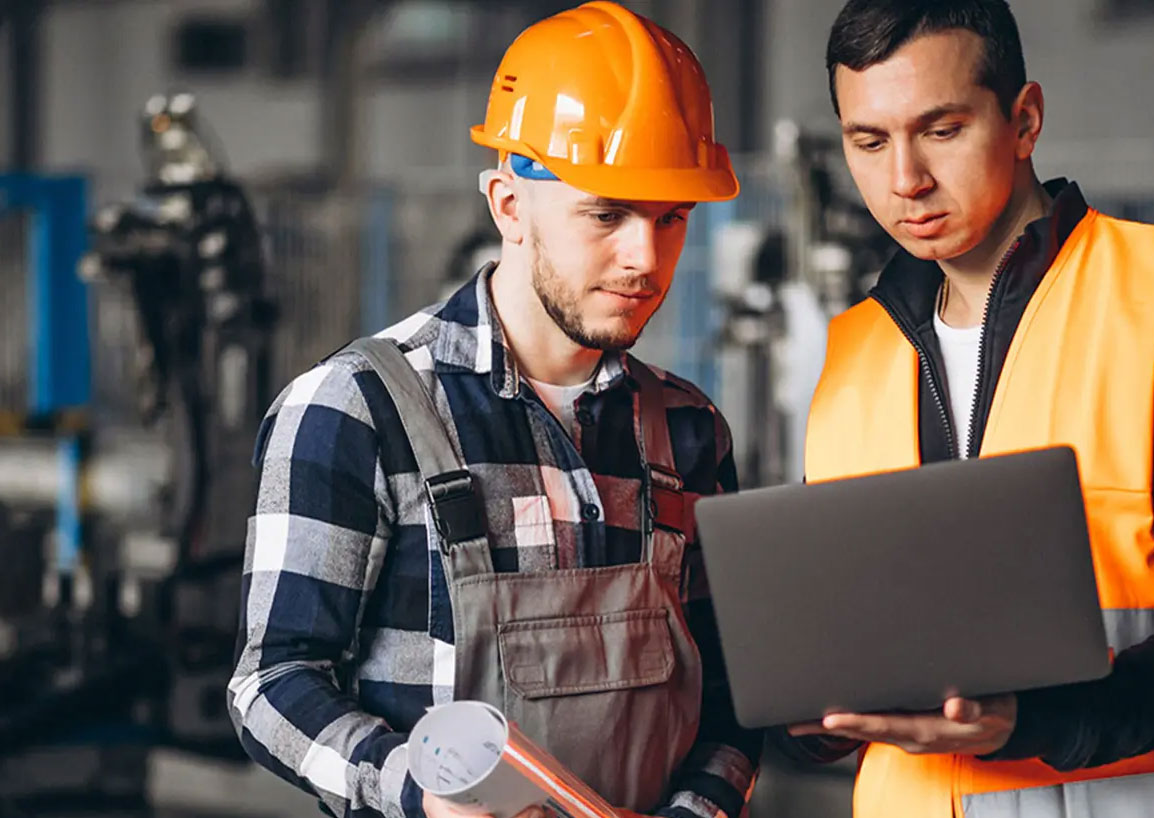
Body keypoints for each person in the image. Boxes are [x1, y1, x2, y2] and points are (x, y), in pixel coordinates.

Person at [226, 4, 760, 818]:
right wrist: (417, 792)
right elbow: (273, 682)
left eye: (672, 217)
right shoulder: (357, 410)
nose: (646, 258)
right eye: (607, 214)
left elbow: (729, 701)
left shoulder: (689, 431)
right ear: (509, 205)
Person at [788, 1, 1154, 816]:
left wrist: (1032, 719)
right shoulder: (854, 357)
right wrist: (815, 712)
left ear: (1024, 119)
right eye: (869, 141)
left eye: (941, 130)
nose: (904, 179)